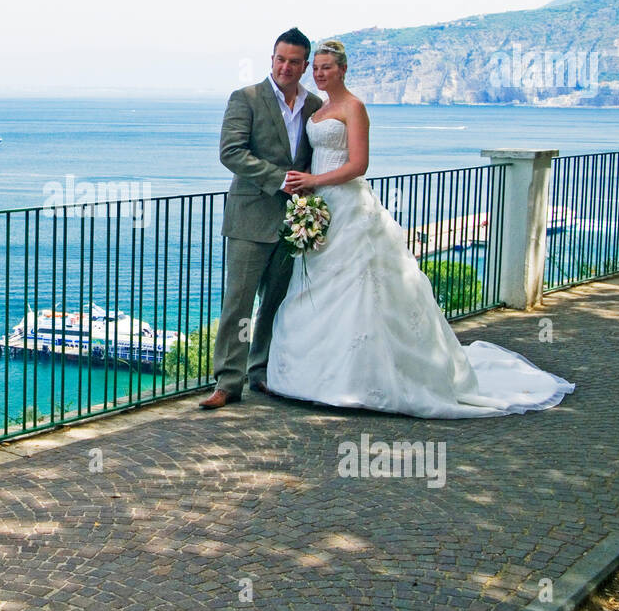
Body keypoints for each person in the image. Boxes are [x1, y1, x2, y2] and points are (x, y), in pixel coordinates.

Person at [264, 40, 574, 417]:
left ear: (343, 70)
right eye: (317, 67)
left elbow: (359, 164)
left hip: (348, 204)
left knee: (361, 288)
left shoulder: (354, 108)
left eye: (328, 67)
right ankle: (311, 377)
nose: (320, 73)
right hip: (322, 209)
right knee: (316, 286)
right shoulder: (318, 110)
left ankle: (361, 380)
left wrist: (317, 179)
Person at [200, 28, 323, 410]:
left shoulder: (315, 105)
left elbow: (314, 160)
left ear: (304, 65)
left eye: (294, 62)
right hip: (250, 217)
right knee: (237, 303)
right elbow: (231, 152)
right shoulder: (246, 98)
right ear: (271, 59)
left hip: (292, 221)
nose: (286, 67)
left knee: (275, 301)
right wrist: (281, 180)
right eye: (280, 59)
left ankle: (262, 371)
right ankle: (228, 382)